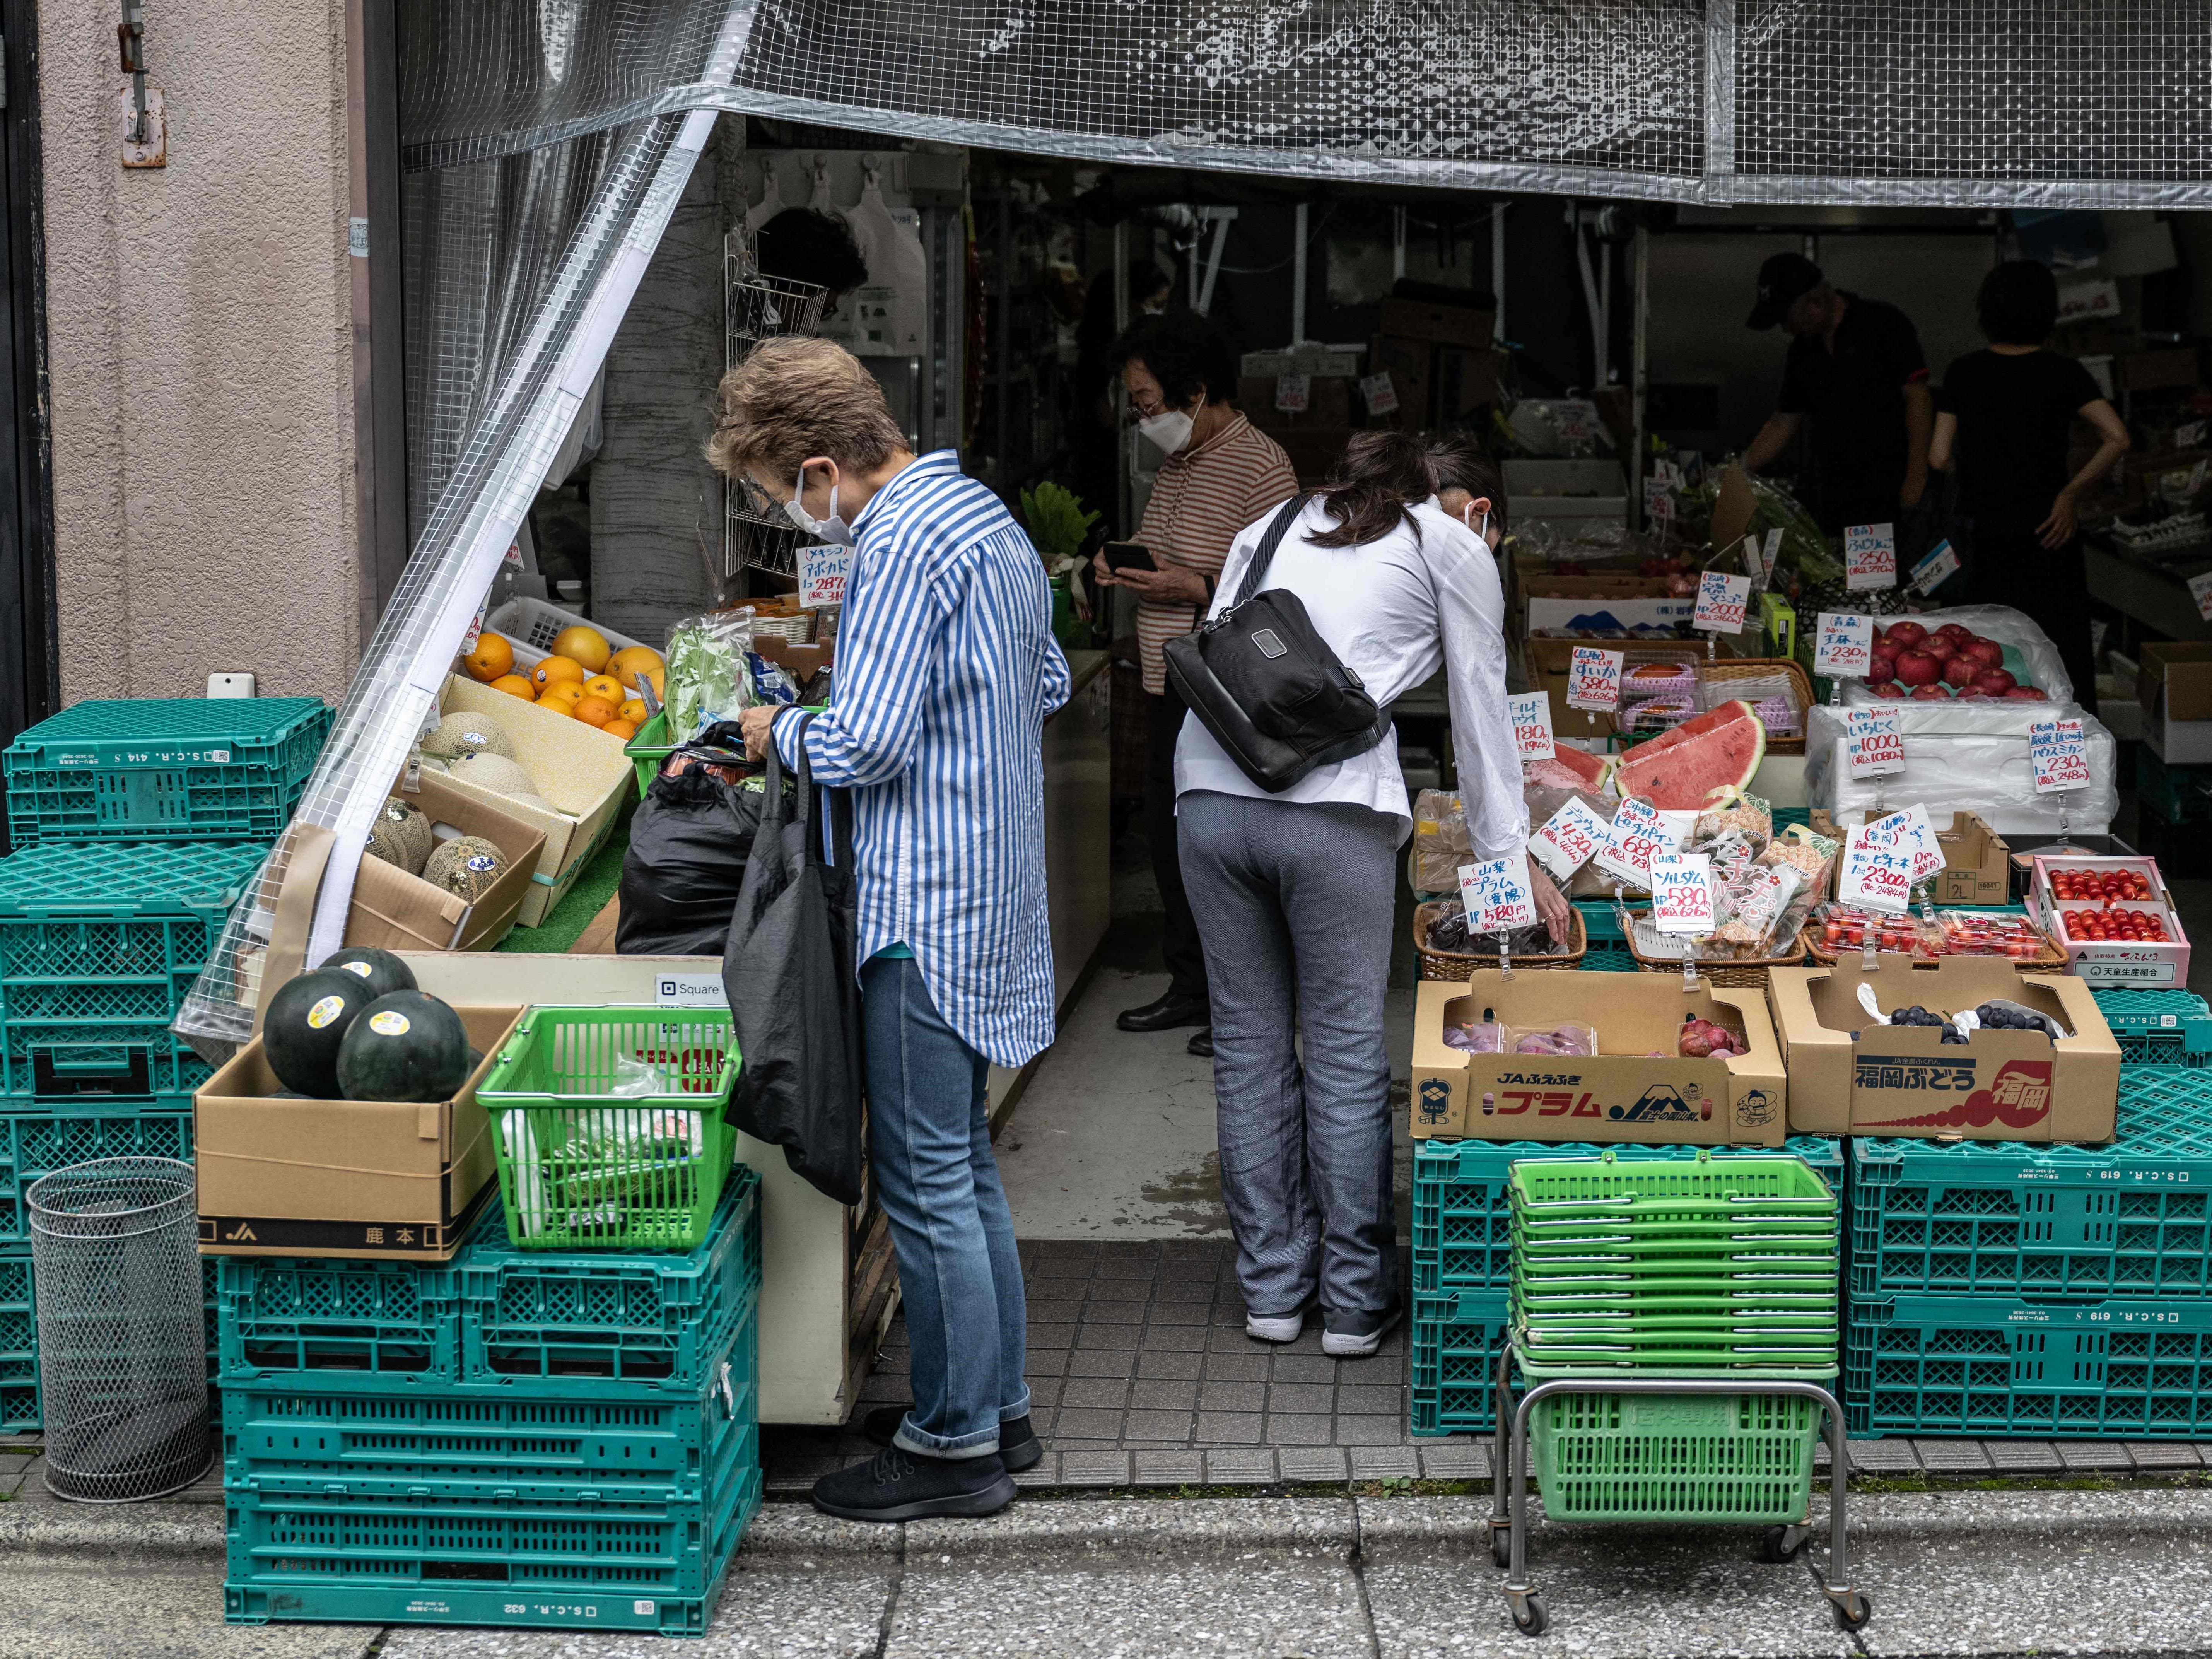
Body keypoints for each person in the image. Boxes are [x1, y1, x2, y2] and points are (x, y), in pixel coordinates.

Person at [714, 338, 1069, 1523]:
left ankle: (953, 1439)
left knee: (923, 1179)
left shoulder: (900, 541)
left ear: (819, 465)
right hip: (992, 885)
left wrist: (781, 736)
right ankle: (998, 1405)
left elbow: (864, 743)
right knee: (962, 1165)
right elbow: (1050, 682)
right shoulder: (984, 517)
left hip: (923, 902)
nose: (791, 519)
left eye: (780, 496)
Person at [1173, 431, 1568, 1358]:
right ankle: (1352, 1301)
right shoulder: (1448, 543)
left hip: (1209, 799)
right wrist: (1512, 867)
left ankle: (1272, 1291)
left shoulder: (1271, 523)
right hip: (1334, 811)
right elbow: (1478, 713)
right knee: (1347, 1050)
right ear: (1468, 504)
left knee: (1248, 1047)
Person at [1091, 310, 1297, 1060]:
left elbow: (1282, 597)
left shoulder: (1263, 467)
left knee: (1225, 851)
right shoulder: (1178, 463)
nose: (1143, 418)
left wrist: (1193, 584)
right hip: (1163, 678)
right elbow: (1162, 551)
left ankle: (1240, 1002)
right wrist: (1118, 565)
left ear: (1197, 390)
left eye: (1148, 402)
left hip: (1223, 689)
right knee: (1173, 844)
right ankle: (1190, 986)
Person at [1930, 260, 2130, 712]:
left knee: (1977, 660)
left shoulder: (1963, 372)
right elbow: (2117, 437)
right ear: (2048, 312)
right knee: (2058, 657)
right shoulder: (2064, 371)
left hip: (1982, 539)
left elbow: (1938, 457)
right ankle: (2071, 759)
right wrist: (2069, 494)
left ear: (1987, 311)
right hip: (2049, 534)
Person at [1742, 253, 1933, 541]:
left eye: (1786, 319)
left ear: (1814, 304)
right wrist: (1737, 470)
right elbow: (1783, 420)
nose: (1785, 329)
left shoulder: (1884, 324)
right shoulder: (1801, 351)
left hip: (1891, 490)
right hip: (1831, 494)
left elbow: (1917, 398)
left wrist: (1916, 476)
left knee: (1888, 581)